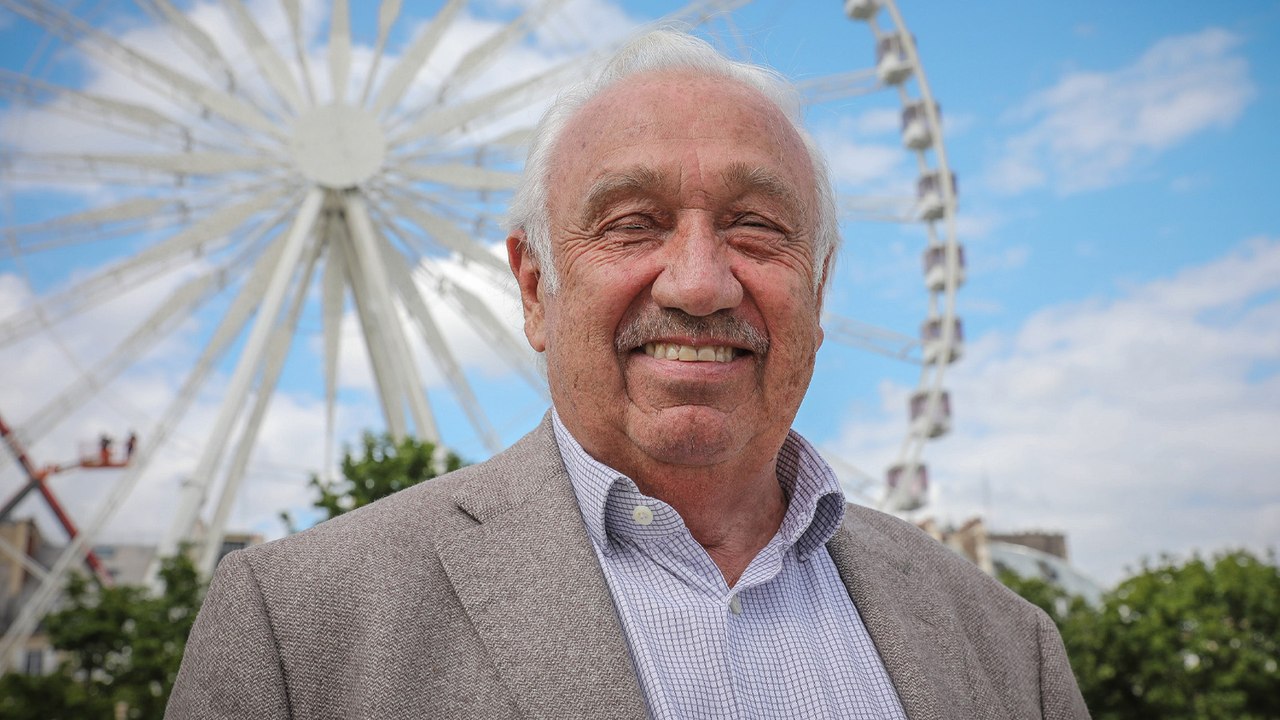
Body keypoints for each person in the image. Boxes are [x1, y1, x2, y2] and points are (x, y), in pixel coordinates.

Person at [167, 30, 1088, 720]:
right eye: (631, 224)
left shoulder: (1010, 653)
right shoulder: (298, 632)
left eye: (757, 227)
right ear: (535, 288)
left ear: (820, 286)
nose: (698, 282)